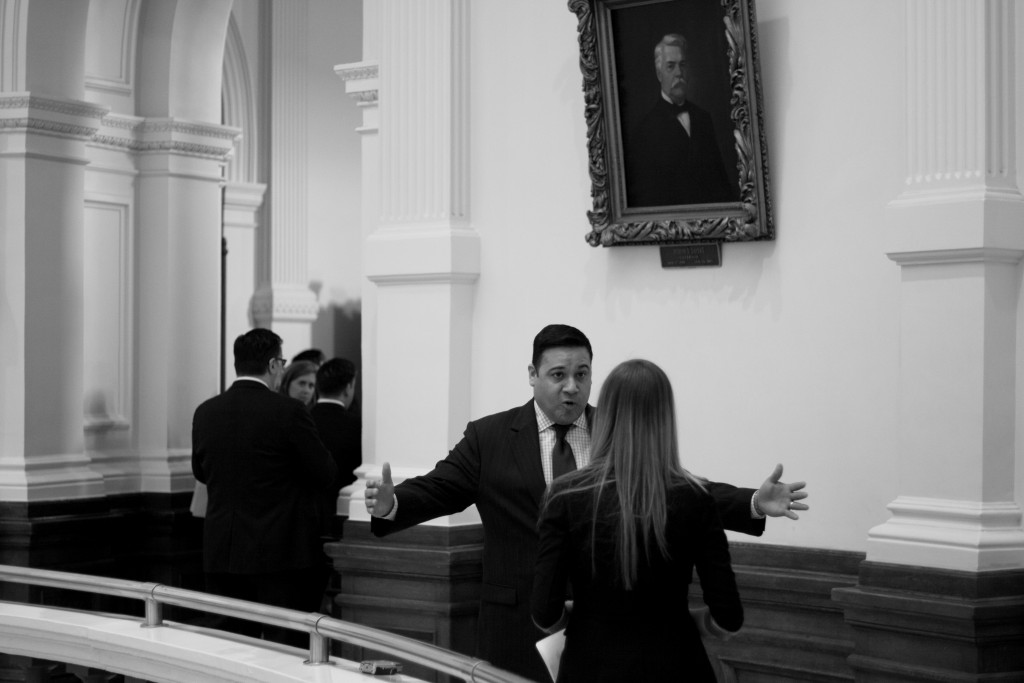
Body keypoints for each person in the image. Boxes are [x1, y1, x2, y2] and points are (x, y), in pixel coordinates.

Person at [365, 324, 807, 681]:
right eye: (558, 375)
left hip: (599, 636)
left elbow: (672, 489)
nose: (572, 387)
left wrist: (751, 500)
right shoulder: (490, 437)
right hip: (518, 626)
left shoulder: (613, 428)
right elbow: (439, 488)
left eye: (582, 374)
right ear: (533, 375)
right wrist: (391, 503)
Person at [532, 359, 741, 682]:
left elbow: (545, 613)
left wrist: (583, 616)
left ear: (606, 414)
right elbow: (728, 619)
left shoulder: (564, 496)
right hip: (677, 664)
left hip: (590, 665)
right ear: (665, 417)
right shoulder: (696, 498)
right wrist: (685, 620)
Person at [192, 328, 337, 647]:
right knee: (282, 649)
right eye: (282, 363)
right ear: (273, 365)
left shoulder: (206, 412)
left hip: (223, 551)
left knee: (228, 648)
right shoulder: (289, 412)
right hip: (279, 553)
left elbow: (201, 473)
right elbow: (324, 472)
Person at [625, 33, 736, 207]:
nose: (679, 73)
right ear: (659, 73)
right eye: (671, 66)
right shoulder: (645, 130)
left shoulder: (703, 118)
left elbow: (720, 180)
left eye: (682, 65)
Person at [308, 358, 363, 612]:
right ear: (349, 387)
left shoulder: (301, 419)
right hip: (341, 524)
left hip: (300, 525)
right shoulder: (357, 427)